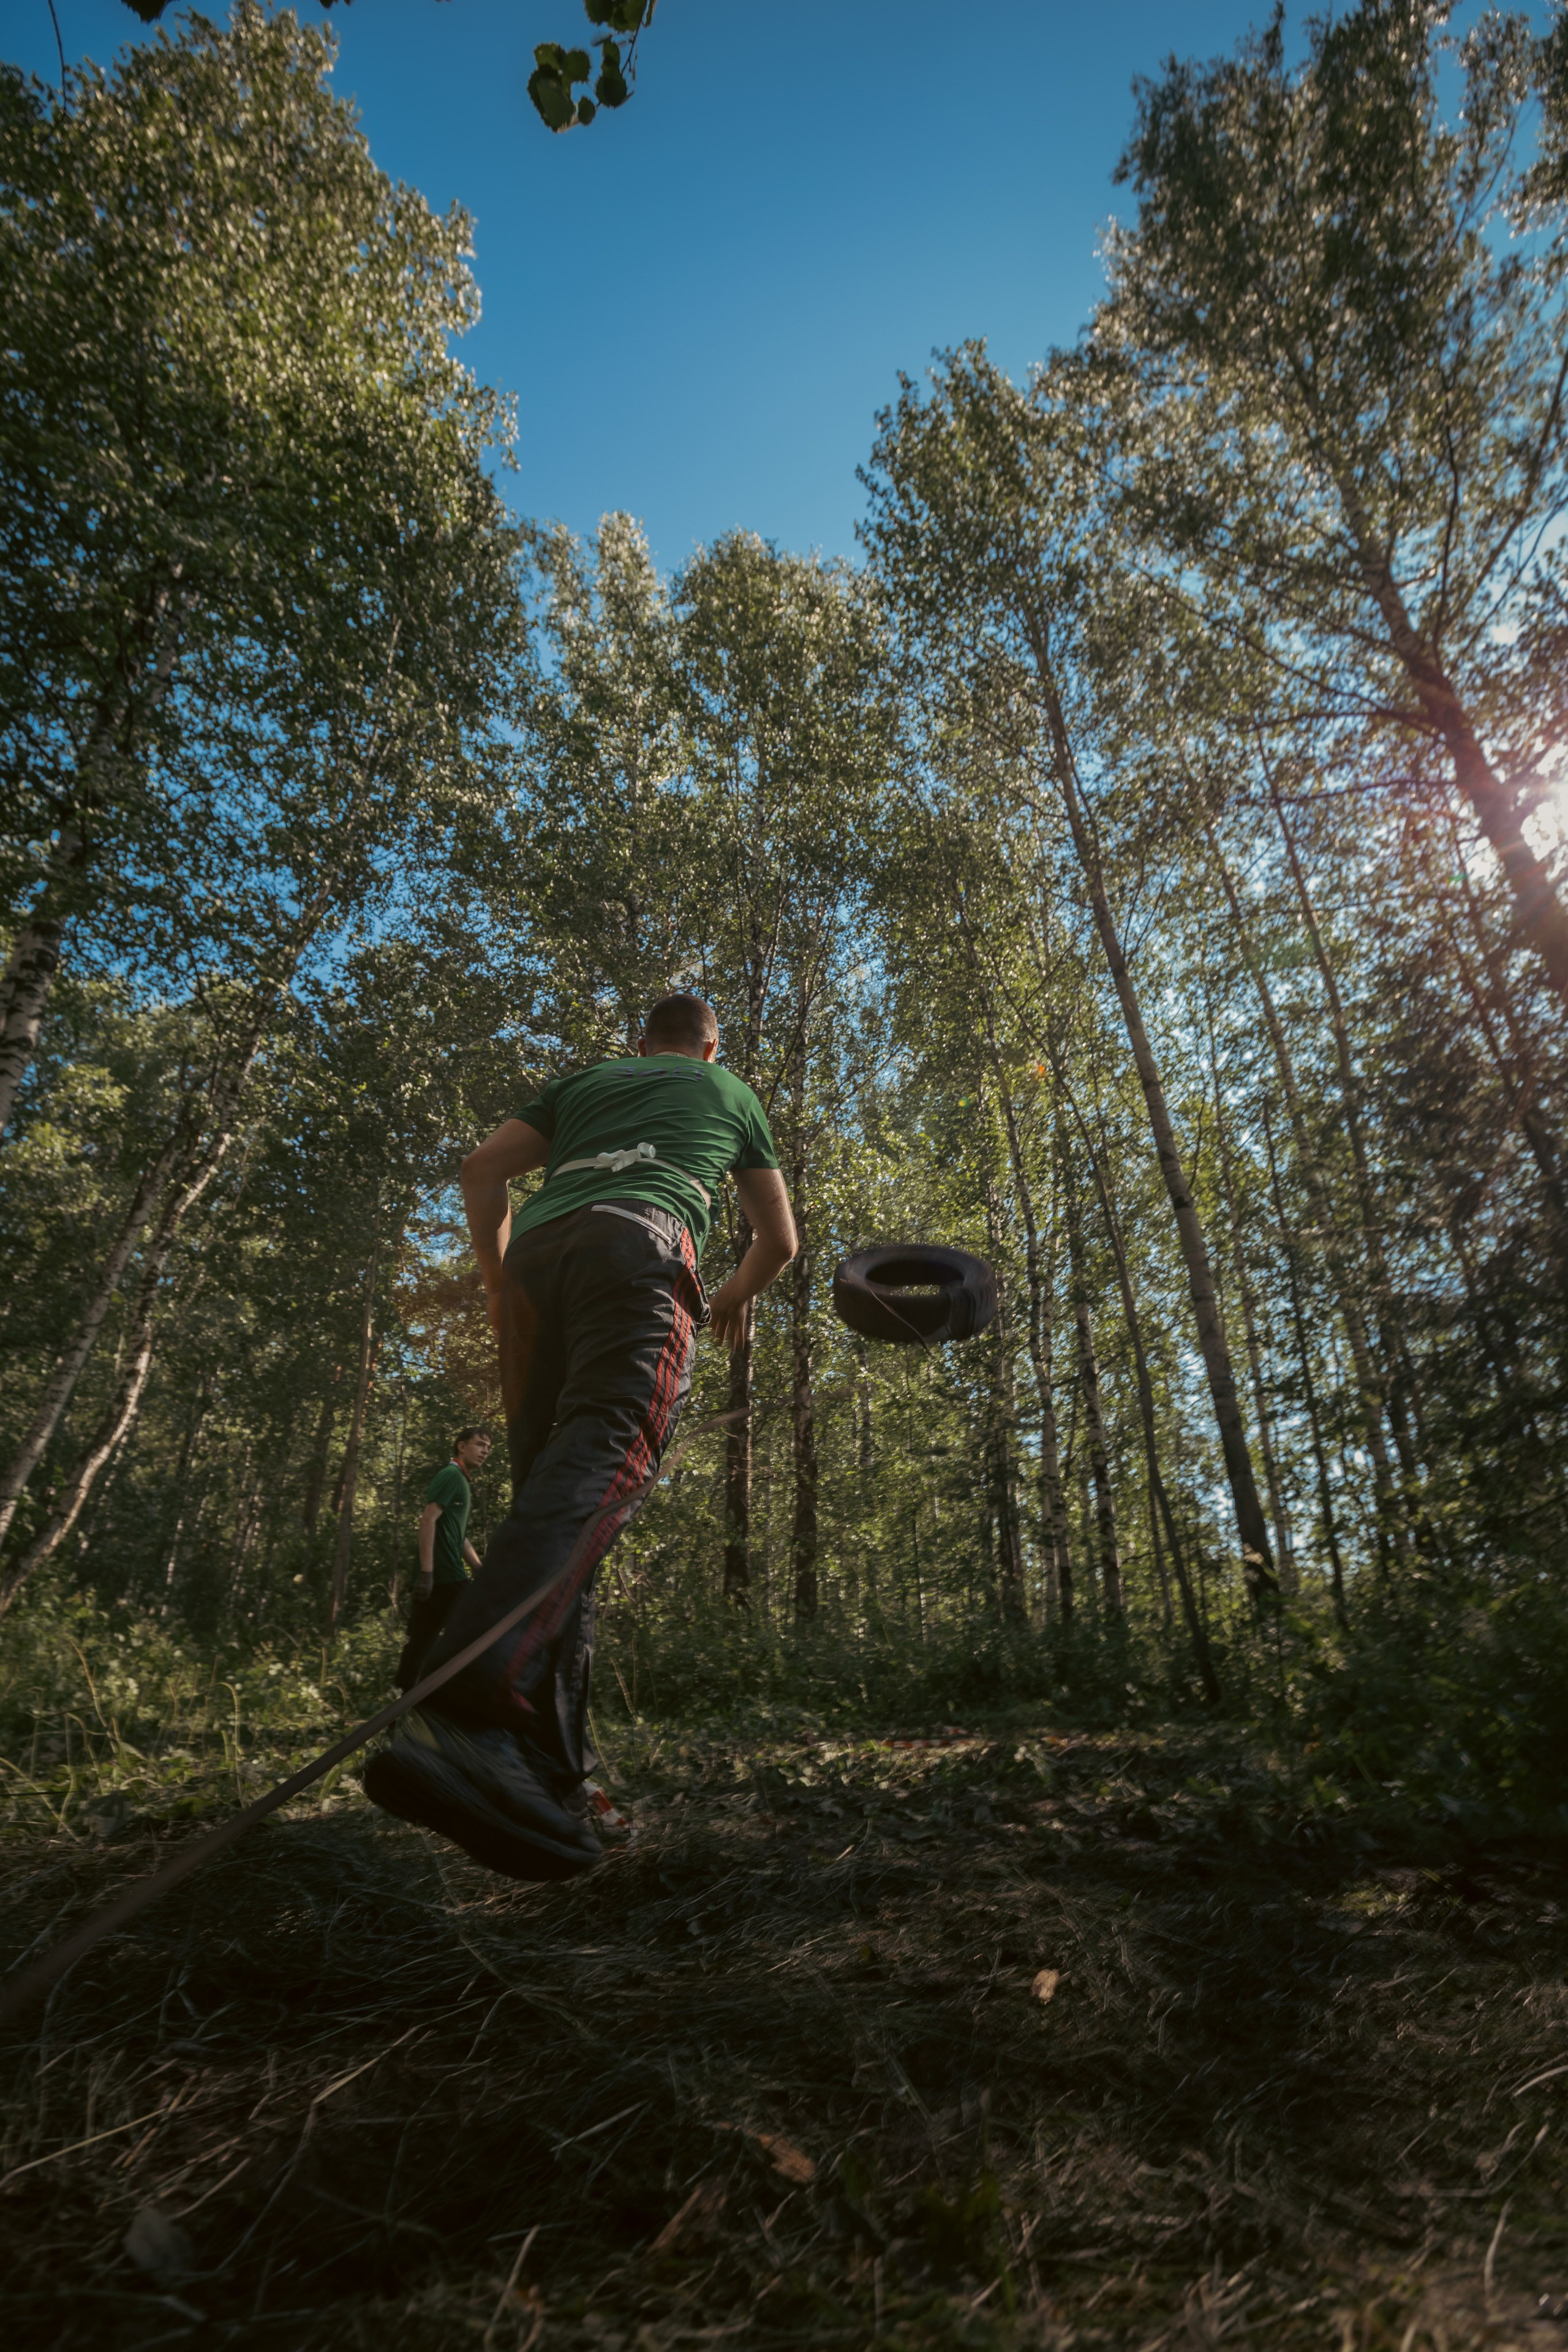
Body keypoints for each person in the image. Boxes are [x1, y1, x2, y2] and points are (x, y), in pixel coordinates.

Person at [365, 992, 797, 1880]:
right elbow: (779, 1241)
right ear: (711, 1048)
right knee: (610, 1456)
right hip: (641, 1250)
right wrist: (725, 1300)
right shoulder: (731, 1094)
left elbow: (483, 1171)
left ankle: (544, 1779)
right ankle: (472, 1708)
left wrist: (496, 1283)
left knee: (558, 1520)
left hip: (537, 1267)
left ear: (641, 1044)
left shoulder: (588, 1080)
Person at [394, 1426, 492, 1692]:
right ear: (462, 1446)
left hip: (445, 1577)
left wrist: (480, 1569)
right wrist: (427, 1573)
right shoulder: (451, 1475)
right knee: (479, 1637)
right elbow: (428, 1518)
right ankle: (449, 1704)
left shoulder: (462, 1480)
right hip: (444, 1578)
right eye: (480, 1444)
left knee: (419, 1645)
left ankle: (402, 1704)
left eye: (488, 1447)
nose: (485, 1451)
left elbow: (459, 1537)